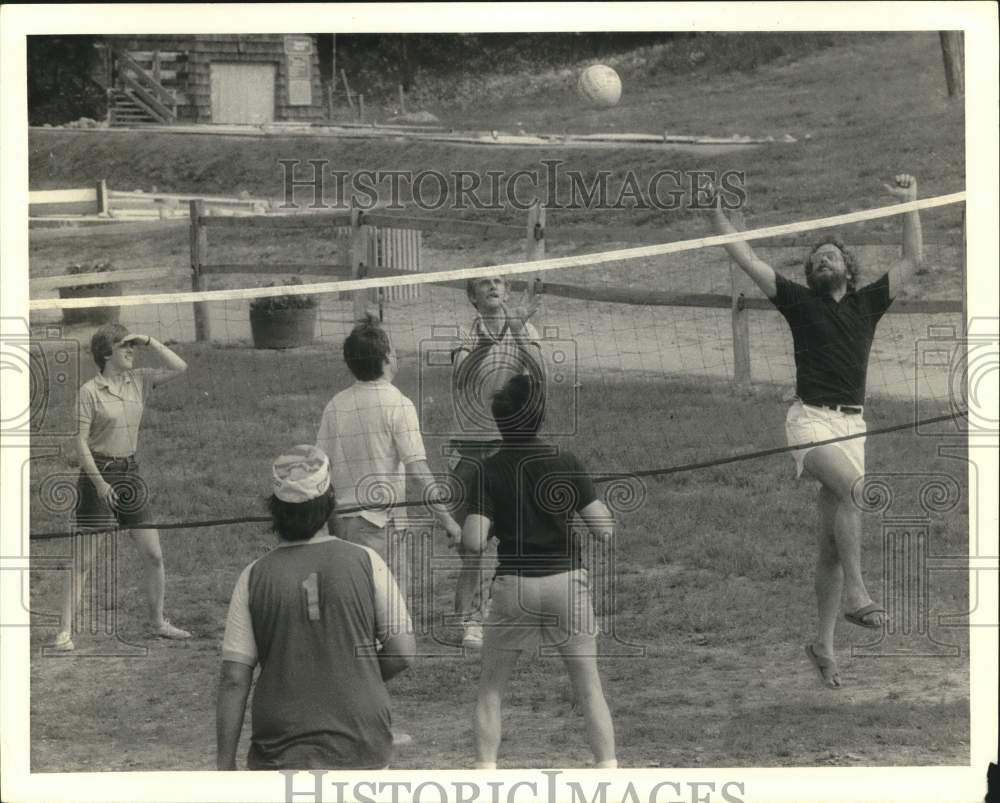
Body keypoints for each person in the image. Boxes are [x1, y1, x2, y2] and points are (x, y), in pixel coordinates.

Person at [710, 174, 924, 688]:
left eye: (831, 255)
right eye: (816, 258)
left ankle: (822, 645)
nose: (822, 260)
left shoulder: (867, 304)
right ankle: (857, 593)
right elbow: (746, 258)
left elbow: (912, 259)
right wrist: (715, 215)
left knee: (831, 543)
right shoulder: (797, 302)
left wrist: (911, 204)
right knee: (856, 494)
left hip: (854, 425)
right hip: (809, 420)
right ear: (810, 273)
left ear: (848, 269)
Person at [217, 445, 415, 770]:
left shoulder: (253, 575)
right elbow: (404, 651)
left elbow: (234, 679)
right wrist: (352, 676)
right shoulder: (367, 561)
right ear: (329, 502)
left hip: (280, 749)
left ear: (276, 508)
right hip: (361, 740)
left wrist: (224, 767)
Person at [463, 374, 617, 769]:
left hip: (514, 585)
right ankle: (608, 769)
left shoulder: (487, 470)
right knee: (588, 686)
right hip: (566, 583)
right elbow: (604, 530)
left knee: (491, 690)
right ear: (539, 418)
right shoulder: (565, 462)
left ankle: (485, 774)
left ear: (499, 422)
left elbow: (474, 540)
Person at [52, 324, 191, 651]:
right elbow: (80, 444)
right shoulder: (89, 391)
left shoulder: (139, 379)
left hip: (131, 472)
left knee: (154, 555)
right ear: (105, 354)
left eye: (133, 347)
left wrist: (150, 339)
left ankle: (158, 622)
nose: (132, 351)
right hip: (98, 474)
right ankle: (62, 632)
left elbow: (180, 367)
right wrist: (99, 485)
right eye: (124, 347)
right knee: (84, 560)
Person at [316, 315, 462, 616]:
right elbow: (419, 470)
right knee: (390, 607)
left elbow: (320, 467)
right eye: (393, 351)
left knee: (352, 604)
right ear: (386, 359)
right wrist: (448, 521)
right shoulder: (398, 403)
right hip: (379, 524)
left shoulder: (335, 404)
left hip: (341, 522)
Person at [449, 273, 544, 650]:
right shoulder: (465, 333)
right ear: (472, 297)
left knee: (518, 541)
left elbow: (540, 374)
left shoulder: (525, 328)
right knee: (473, 547)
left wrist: (518, 329)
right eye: (484, 283)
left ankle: (512, 617)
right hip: (471, 452)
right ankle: (468, 623)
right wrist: (487, 341)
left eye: (499, 282)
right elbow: (461, 377)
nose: (492, 287)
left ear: (507, 292)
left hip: (510, 451)